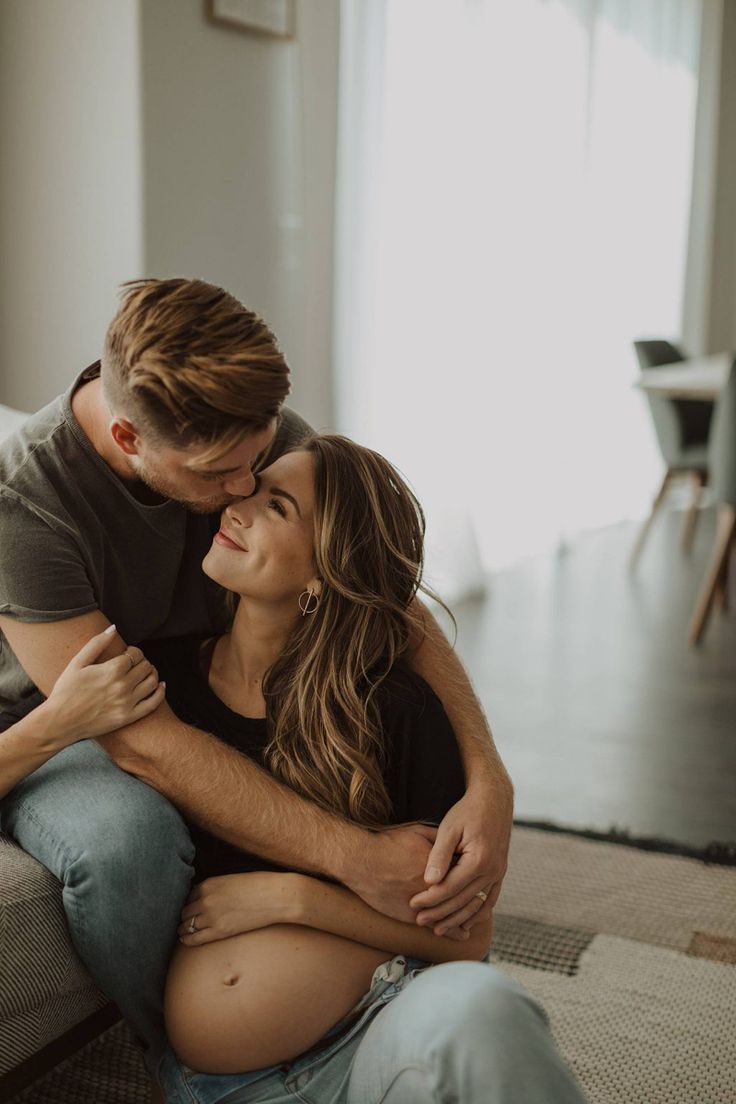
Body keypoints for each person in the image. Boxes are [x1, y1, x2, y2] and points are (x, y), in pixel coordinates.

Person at [0, 278, 513, 1086]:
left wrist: (490, 778)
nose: (242, 490)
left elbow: (371, 587)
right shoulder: (29, 506)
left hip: (200, 684)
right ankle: (178, 1059)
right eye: (220, 475)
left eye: (260, 463)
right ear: (130, 436)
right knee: (123, 842)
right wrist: (354, 860)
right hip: (71, 718)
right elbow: (141, 744)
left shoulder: (242, 434)